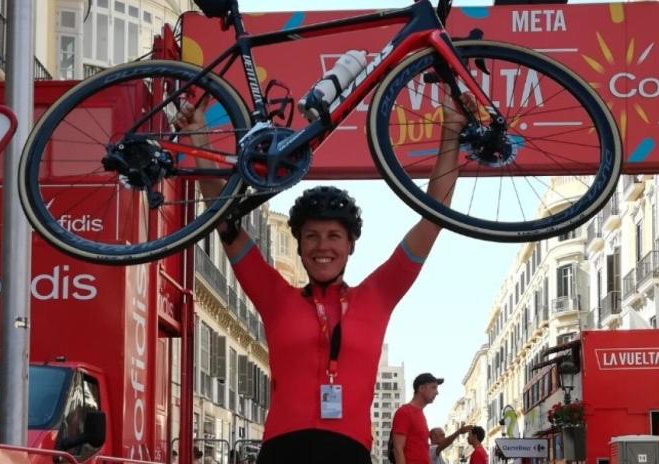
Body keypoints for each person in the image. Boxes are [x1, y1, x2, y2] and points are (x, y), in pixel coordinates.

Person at [181, 90, 474, 464]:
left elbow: (433, 218)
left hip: (348, 453)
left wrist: (450, 130)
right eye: (311, 236)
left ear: (351, 245)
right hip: (282, 453)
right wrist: (198, 138)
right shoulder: (277, 298)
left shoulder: (377, 295)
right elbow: (224, 221)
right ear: (300, 246)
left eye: (334, 235)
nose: (323, 246)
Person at [393, 373, 444, 464]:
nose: (437, 392)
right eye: (433, 387)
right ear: (421, 388)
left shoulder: (420, 415)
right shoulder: (405, 412)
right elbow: (398, 449)